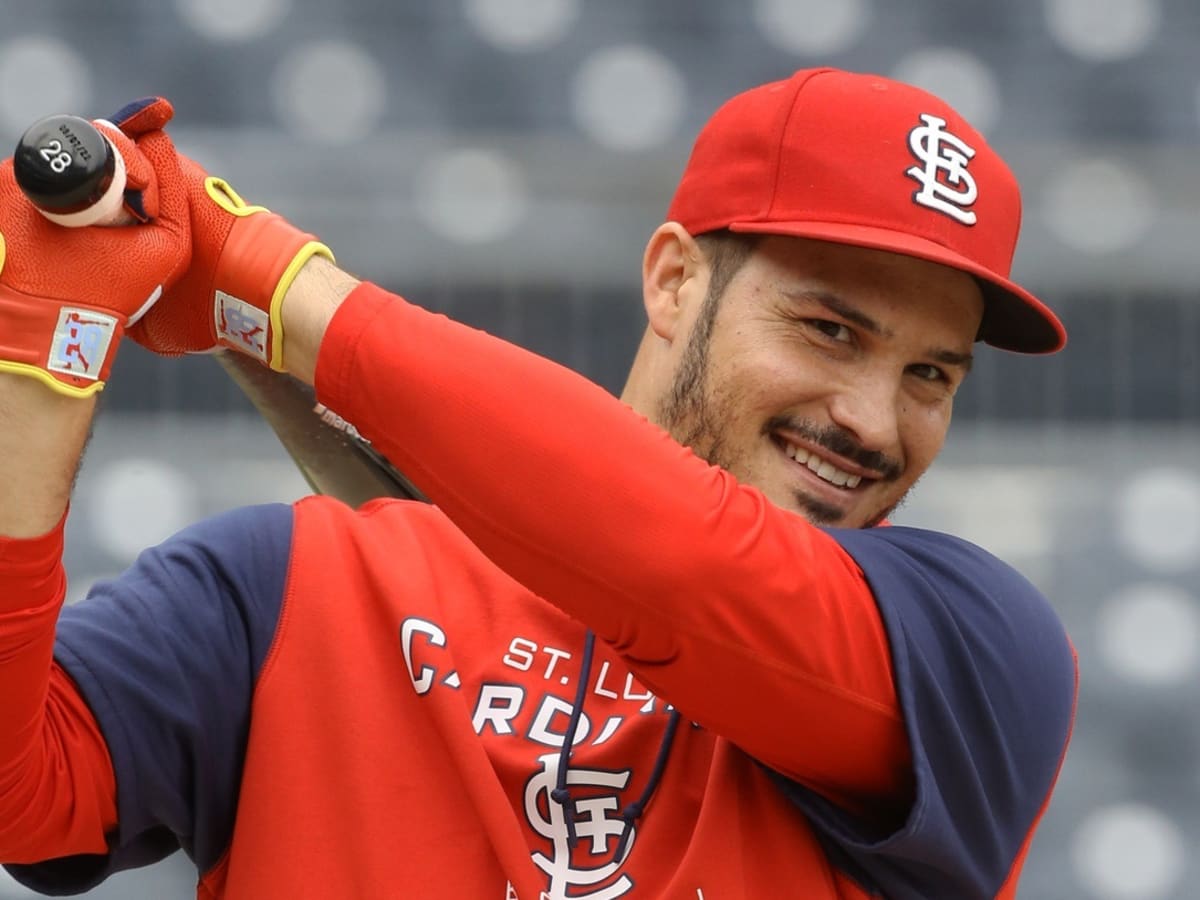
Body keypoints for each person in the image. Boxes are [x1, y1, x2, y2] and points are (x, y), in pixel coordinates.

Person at [0, 68, 1076, 899]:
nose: (872, 422)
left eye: (931, 375)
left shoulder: (973, 651)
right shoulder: (295, 583)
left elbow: (684, 558)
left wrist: (266, 280)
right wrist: (36, 362)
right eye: (830, 330)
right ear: (672, 280)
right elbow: (21, 795)